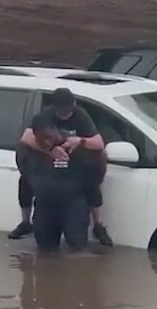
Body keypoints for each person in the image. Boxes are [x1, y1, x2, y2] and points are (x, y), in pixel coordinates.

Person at [10, 88, 114, 246]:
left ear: (73, 105)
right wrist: (50, 150)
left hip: (76, 166)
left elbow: (99, 143)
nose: (64, 114)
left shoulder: (80, 115)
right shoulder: (45, 116)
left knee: (92, 183)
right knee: (25, 181)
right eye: (61, 111)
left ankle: (98, 226)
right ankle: (25, 222)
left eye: (67, 110)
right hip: (46, 169)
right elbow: (26, 137)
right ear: (54, 107)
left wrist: (79, 141)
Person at [21, 113, 91, 253]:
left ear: (55, 129)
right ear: (34, 135)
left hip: (73, 203)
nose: (46, 142)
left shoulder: (73, 144)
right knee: (45, 249)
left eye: (49, 137)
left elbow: (96, 169)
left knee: (77, 248)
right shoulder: (29, 148)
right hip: (45, 204)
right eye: (42, 138)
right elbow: (25, 178)